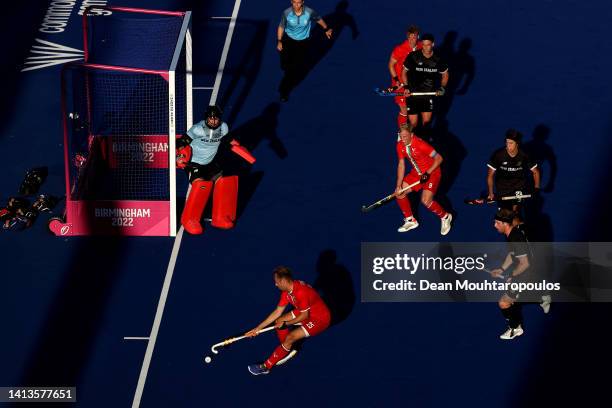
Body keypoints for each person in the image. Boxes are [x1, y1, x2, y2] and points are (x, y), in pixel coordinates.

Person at [176, 105, 255, 235]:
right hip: (194, 163)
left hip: (210, 162)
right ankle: (190, 220)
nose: (213, 121)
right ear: (206, 118)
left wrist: (239, 148)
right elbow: (181, 142)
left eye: (216, 118)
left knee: (223, 182)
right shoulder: (197, 129)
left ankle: (222, 216)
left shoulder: (223, 128)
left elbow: (229, 140)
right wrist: (178, 156)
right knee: (201, 185)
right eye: (211, 118)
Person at [246, 266, 331, 375]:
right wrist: (257, 329)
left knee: (290, 336)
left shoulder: (300, 292)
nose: (275, 284)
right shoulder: (286, 292)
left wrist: (286, 324)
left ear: (283, 280)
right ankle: (286, 348)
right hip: (304, 311)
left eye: (277, 282)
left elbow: (305, 315)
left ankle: (266, 366)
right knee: (278, 321)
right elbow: (277, 312)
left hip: (320, 319)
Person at [394, 123, 452, 235]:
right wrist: (398, 184)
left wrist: (428, 173)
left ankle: (445, 217)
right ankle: (411, 220)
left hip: (432, 172)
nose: (402, 139)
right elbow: (401, 164)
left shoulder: (421, 144)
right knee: (399, 193)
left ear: (412, 134)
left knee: (426, 201)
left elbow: (439, 158)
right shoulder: (400, 145)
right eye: (401, 136)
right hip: (416, 173)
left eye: (405, 136)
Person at [277, 0, 333, 102]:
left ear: (303, 2)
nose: (296, 5)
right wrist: (279, 41)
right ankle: (287, 72)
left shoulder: (309, 12)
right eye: (294, 2)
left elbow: (319, 19)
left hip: (302, 44)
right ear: (291, 2)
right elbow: (281, 27)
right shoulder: (287, 13)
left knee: (292, 70)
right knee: (284, 65)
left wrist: (326, 29)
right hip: (288, 41)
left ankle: (284, 92)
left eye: (298, 2)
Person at [490, 208, 532, 340]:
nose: (494, 225)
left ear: (505, 224)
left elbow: (525, 264)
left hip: (527, 273)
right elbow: (512, 254)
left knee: (504, 303)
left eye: (497, 223)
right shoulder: (511, 234)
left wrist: (512, 277)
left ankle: (515, 328)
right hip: (525, 270)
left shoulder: (515, 238)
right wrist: (502, 269)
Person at [487, 128, 540, 224]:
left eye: (511, 143)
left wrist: (536, 189)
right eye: (507, 142)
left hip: (518, 187)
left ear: (517, 144)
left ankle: (520, 233)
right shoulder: (498, 155)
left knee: (515, 214)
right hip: (502, 188)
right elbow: (490, 176)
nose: (508, 145)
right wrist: (491, 193)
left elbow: (535, 172)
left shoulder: (524, 155)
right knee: (505, 216)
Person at [401, 33, 449, 131]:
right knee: (413, 124)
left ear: (433, 44)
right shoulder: (413, 56)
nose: (425, 47)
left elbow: (445, 74)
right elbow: (404, 72)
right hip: (412, 94)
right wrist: (406, 87)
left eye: (428, 45)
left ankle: (425, 143)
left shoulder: (438, 59)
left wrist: (442, 87)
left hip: (428, 95)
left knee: (426, 124)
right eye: (423, 45)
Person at [388, 25, 421, 128]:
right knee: (404, 109)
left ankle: (411, 134)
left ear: (418, 37)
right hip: (400, 84)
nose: (412, 40)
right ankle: (402, 134)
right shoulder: (400, 49)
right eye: (410, 37)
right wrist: (396, 80)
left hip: (414, 84)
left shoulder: (420, 47)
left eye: (414, 37)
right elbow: (390, 65)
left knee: (414, 112)